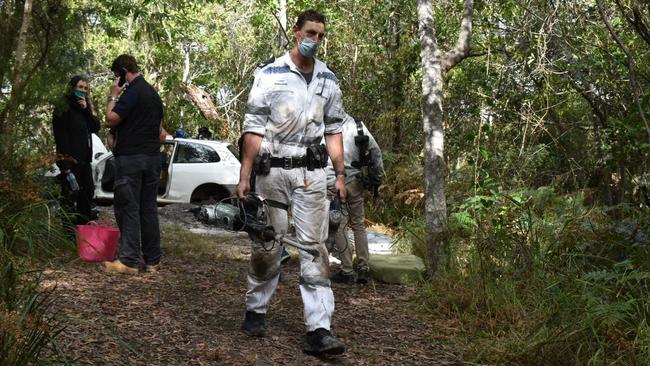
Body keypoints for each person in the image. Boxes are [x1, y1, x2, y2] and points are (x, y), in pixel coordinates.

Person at [236, 9, 348, 356]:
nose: (315, 39)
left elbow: (333, 130)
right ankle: (256, 309)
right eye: (310, 32)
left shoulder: (328, 80)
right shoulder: (269, 74)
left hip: (311, 174)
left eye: (321, 35)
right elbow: (253, 127)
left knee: (315, 248)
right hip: (272, 173)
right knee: (268, 245)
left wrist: (340, 174)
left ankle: (319, 329)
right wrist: (245, 174)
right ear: (296, 33)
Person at [103, 54, 164, 275]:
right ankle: (152, 261)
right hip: (152, 158)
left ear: (121, 73)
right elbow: (161, 134)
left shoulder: (133, 92)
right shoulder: (153, 95)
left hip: (131, 160)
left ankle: (128, 260)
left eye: (116, 76)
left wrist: (113, 95)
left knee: (127, 208)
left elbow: (110, 118)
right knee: (148, 209)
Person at [327, 114, 384, 284]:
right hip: (356, 180)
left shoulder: (326, 125)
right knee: (359, 224)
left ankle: (347, 270)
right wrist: (377, 177)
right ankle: (363, 267)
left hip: (334, 182)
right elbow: (375, 150)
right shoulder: (357, 124)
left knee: (340, 226)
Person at [52, 75, 100, 227]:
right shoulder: (63, 107)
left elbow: (95, 127)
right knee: (69, 196)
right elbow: (60, 136)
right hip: (70, 160)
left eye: (86, 89)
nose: (83, 91)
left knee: (87, 194)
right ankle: (68, 231)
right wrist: (64, 163)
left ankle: (83, 229)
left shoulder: (83, 109)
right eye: (80, 87)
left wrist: (87, 110)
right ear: (72, 88)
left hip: (85, 161)